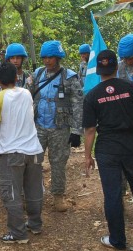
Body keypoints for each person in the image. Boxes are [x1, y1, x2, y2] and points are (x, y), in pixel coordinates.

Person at [83, 50, 133, 250]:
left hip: (107, 150)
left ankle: (117, 239)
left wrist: (87, 155)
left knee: (112, 193)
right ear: (117, 66)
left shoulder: (92, 96)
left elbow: (90, 130)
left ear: (99, 70)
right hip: (132, 146)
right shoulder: (132, 88)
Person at [0, 62, 44, 244]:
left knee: (11, 193)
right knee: (33, 189)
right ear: (17, 77)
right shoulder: (26, 93)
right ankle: (35, 224)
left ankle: (18, 233)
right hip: (34, 150)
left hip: (12, 152)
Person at [28, 40, 83, 212]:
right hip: (38, 127)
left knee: (58, 163)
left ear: (58, 57)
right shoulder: (36, 75)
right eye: (44, 57)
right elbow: (25, 96)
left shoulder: (70, 77)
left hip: (60, 128)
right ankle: (31, 195)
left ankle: (58, 196)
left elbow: (77, 104)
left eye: (50, 57)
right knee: (33, 162)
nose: (47, 61)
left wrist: (76, 131)